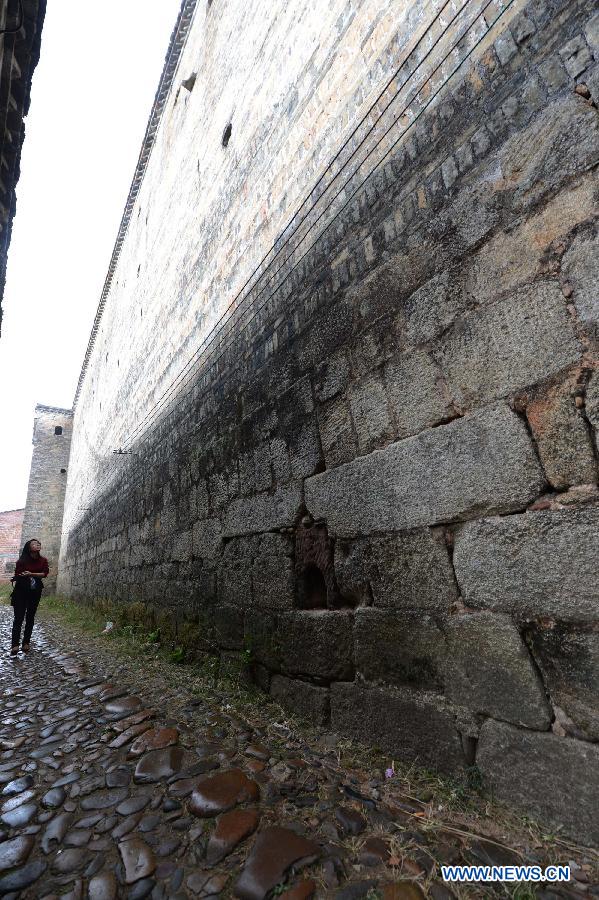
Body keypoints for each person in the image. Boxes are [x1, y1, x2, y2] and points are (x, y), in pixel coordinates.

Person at [10, 538, 49, 656]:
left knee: (30, 617)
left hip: (35, 592)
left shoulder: (43, 560)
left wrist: (31, 574)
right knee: (18, 618)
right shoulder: (21, 561)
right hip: (21, 592)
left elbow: (44, 574)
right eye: (34, 544)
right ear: (29, 547)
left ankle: (26, 642)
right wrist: (22, 576)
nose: (37, 545)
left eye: (38, 543)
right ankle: (15, 645)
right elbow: (18, 575)